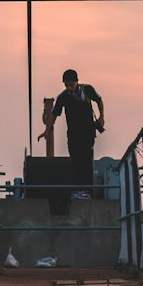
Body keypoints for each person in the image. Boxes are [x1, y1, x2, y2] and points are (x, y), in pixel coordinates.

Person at [39, 69, 104, 199]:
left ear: (77, 82)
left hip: (87, 132)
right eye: (66, 85)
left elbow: (99, 100)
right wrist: (46, 131)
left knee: (86, 160)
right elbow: (54, 114)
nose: (69, 87)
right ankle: (79, 190)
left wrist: (101, 117)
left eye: (71, 84)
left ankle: (87, 190)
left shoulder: (87, 90)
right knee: (76, 161)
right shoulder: (63, 97)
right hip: (73, 134)